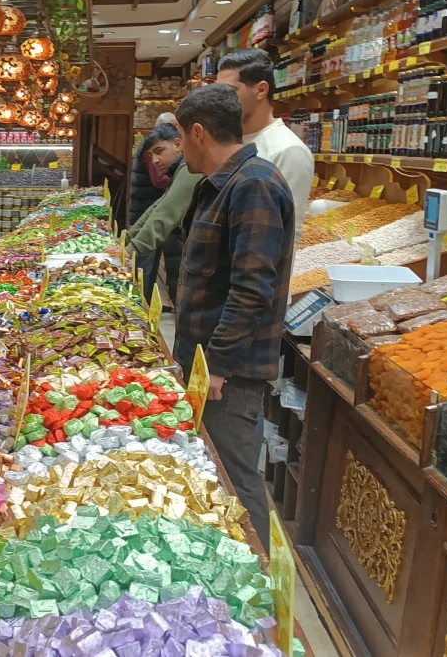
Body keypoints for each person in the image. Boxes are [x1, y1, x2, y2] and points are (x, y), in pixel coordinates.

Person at [173, 84, 295, 549]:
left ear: (199, 133)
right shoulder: (222, 184)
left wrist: (219, 366)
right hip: (206, 362)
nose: (180, 147)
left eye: (182, 137)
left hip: (231, 372)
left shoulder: (253, 186)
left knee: (236, 479)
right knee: (215, 469)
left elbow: (252, 289)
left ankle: (261, 594)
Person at [215, 49, 314, 244]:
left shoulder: (288, 151)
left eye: (230, 91)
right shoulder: (225, 140)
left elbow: (284, 235)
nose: (220, 100)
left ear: (261, 90)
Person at [126, 123, 202, 306]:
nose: (155, 161)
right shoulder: (181, 168)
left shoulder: (189, 168)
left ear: (178, 144)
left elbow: (167, 211)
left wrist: (130, 250)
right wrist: (128, 240)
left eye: (160, 151)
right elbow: (158, 206)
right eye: (152, 155)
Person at [128, 111, 175, 226]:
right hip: (144, 211)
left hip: (144, 210)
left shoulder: (151, 147)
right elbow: (159, 181)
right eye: (174, 128)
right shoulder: (152, 149)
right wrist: (179, 181)